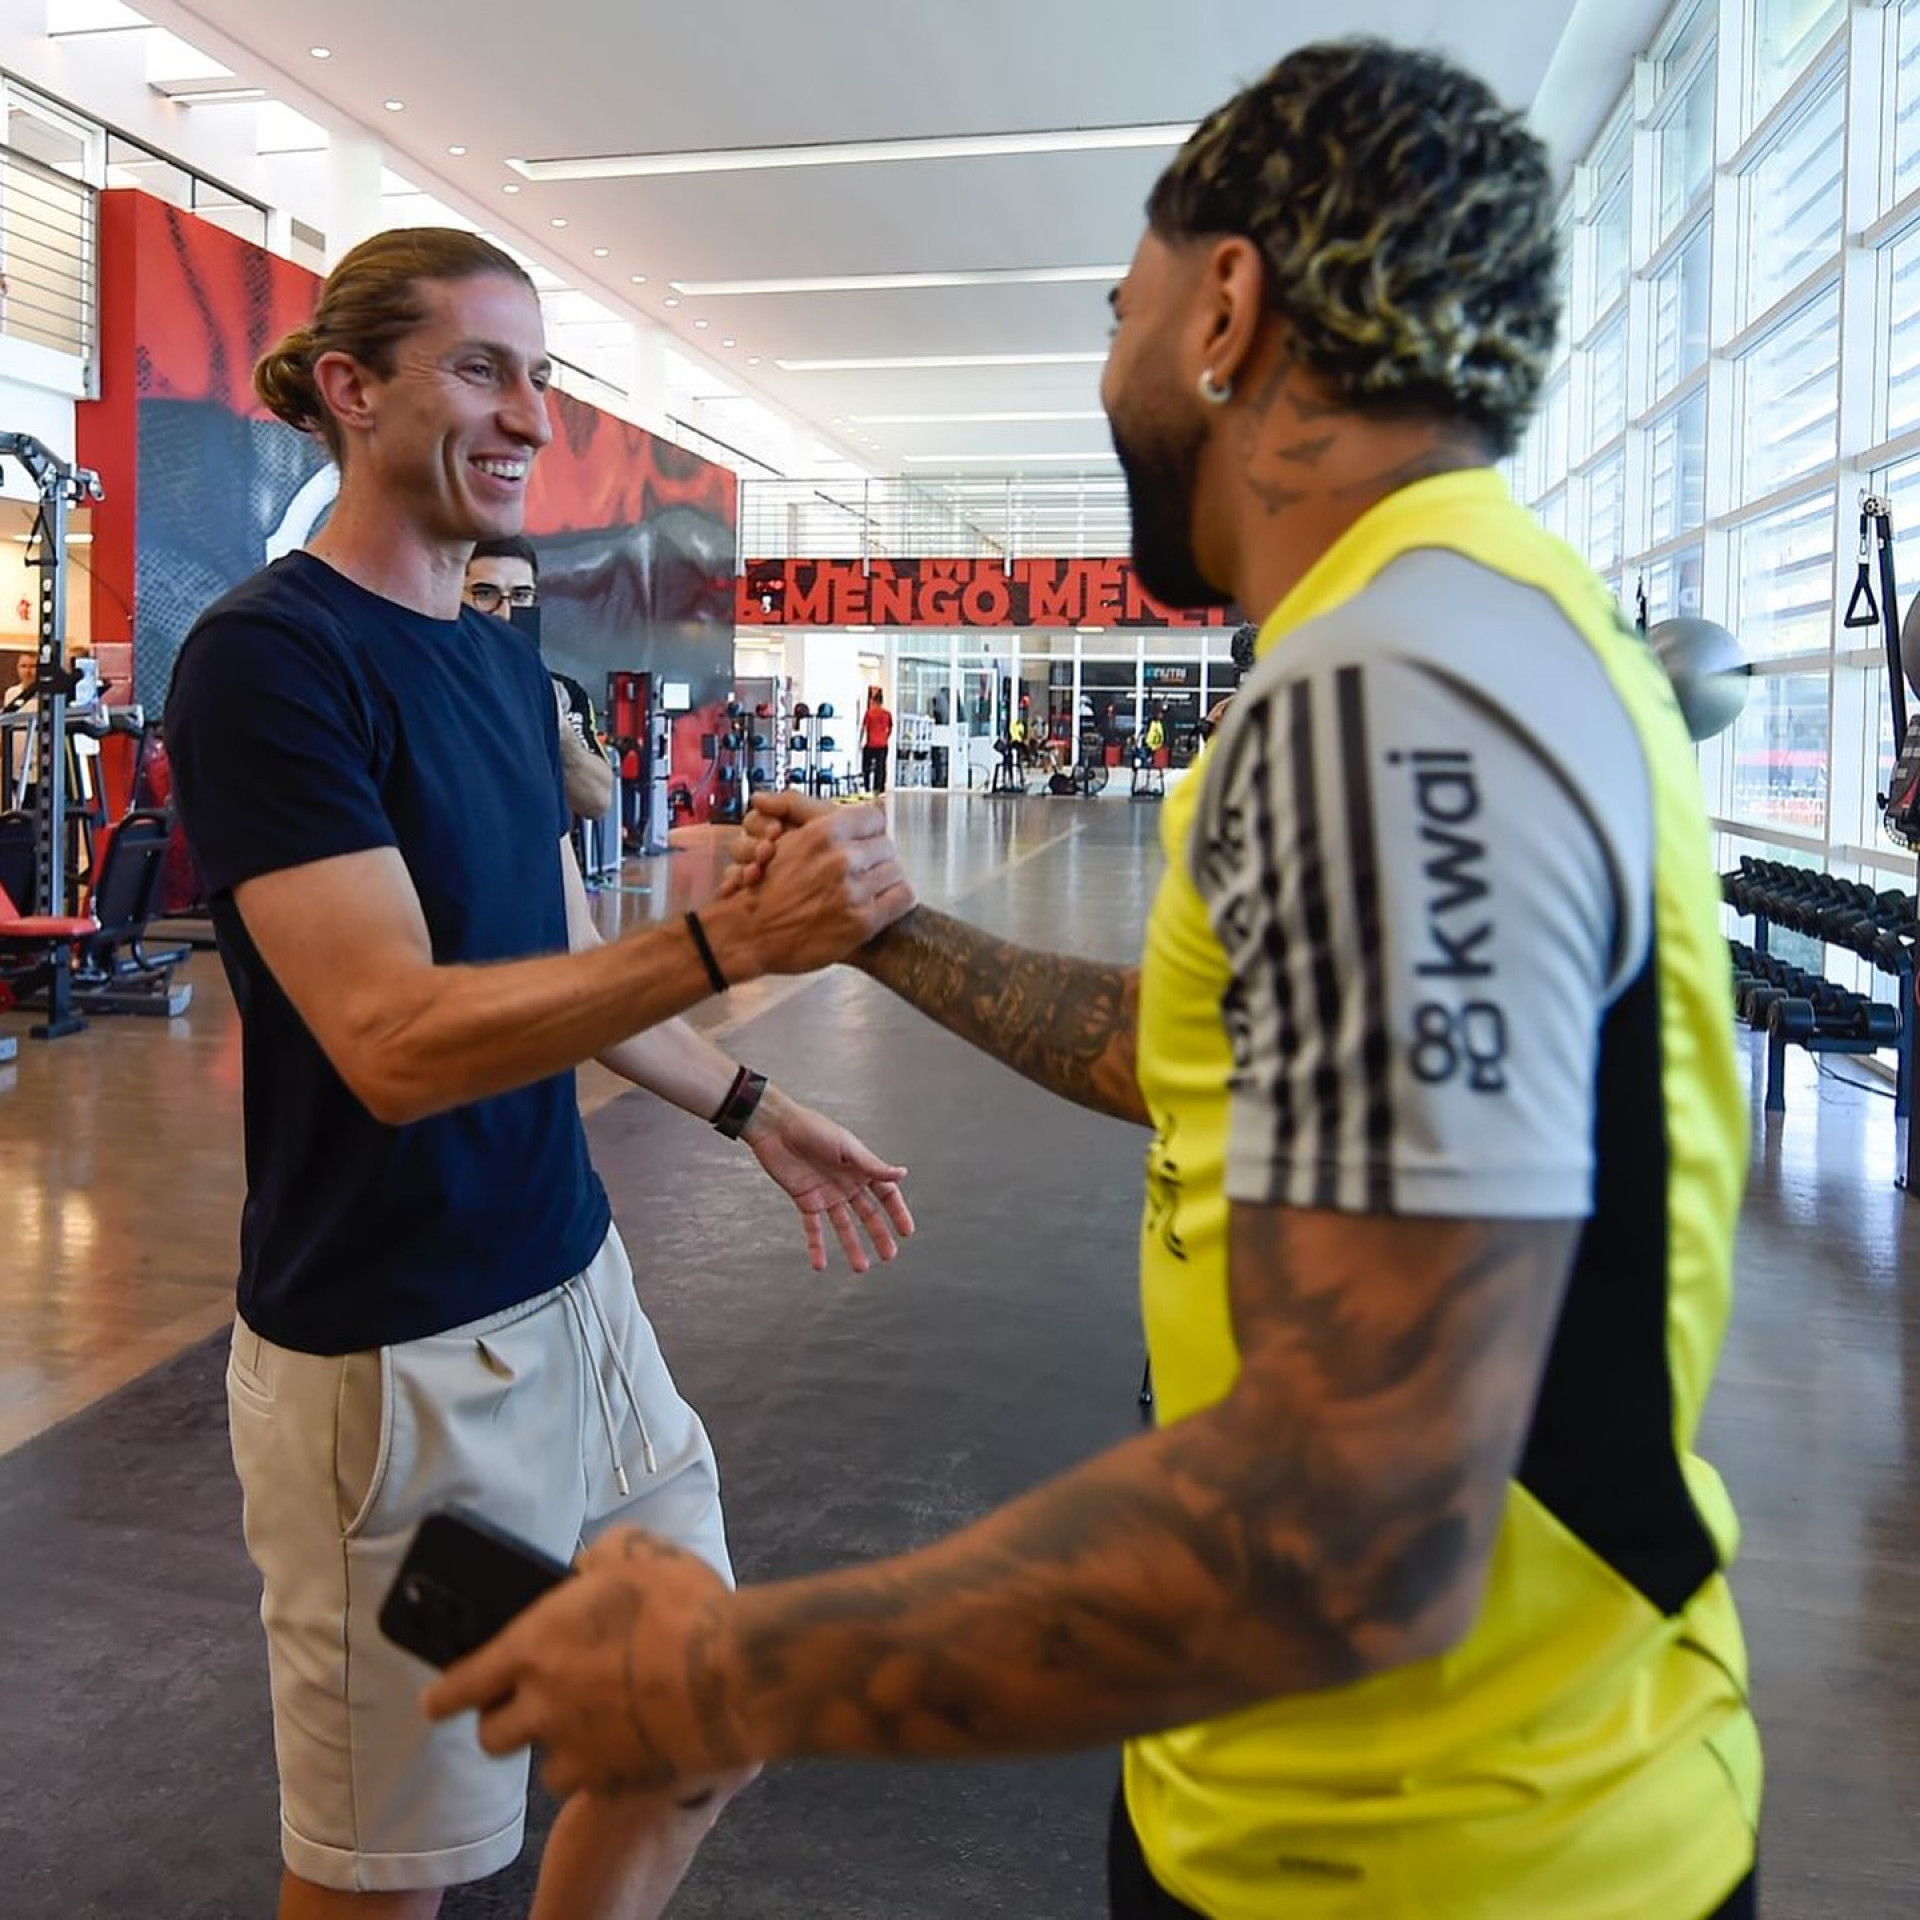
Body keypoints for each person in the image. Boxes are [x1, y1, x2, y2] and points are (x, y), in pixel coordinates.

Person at [428, 41, 1758, 1920]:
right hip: (1303, 1789)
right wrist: (882, 929)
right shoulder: (1447, 646)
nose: (1111, 362)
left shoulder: (1397, 699)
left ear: (1229, 306)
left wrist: (728, 1671)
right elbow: (1184, 1058)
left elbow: (1357, 1510)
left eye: (1119, 307)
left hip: (1452, 1846)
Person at [163, 225, 917, 1920]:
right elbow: (396, 1043)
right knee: (393, 1876)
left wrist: (756, 1104)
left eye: (542, 380)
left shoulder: (503, 670)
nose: (526, 417)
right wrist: (733, 943)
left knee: (695, 1722)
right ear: (351, 392)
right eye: (482, 371)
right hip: (402, 1374)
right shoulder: (273, 662)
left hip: (582, 1306)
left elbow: (563, 985)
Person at [462, 533, 614, 822]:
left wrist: (552, 719)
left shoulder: (562, 693)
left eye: (521, 596)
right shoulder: (429, 685)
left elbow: (598, 800)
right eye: (484, 593)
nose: (505, 613)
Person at [860, 687, 893, 794]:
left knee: (866, 767)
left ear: (873, 701)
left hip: (870, 744)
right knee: (881, 767)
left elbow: (863, 728)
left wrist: (860, 742)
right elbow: (890, 728)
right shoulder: (887, 713)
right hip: (882, 744)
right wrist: (885, 737)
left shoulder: (869, 713)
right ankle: (879, 788)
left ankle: (867, 787)